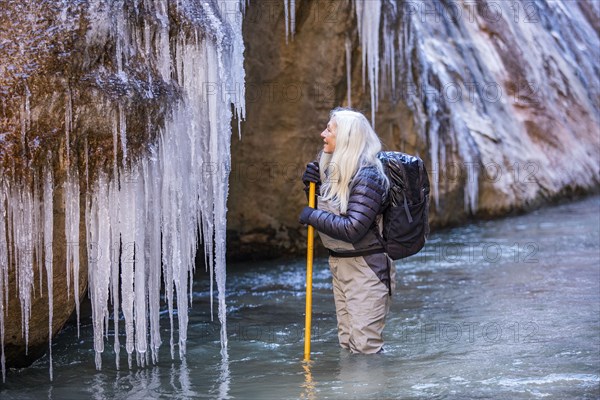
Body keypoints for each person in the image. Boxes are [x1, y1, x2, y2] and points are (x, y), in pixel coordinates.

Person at [299, 107, 395, 354]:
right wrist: (315, 188)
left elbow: (353, 228)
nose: (323, 134)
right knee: (347, 343)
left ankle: (372, 391)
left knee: (365, 347)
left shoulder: (368, 175)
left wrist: (312, 216)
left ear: (346, 138)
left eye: (329, 130)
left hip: (366, 269)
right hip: (340, 264)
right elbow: (336, 212)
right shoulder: (339, 170)